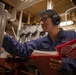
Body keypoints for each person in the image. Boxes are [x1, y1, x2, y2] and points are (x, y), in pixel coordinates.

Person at [2, 9, 76, 75]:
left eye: (44, 19)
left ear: (55, 20)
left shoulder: (72, 36)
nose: (41, 23)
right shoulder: (41, 42)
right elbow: (22, 49)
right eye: (40, 20)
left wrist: (65, 64)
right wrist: (3, 35)